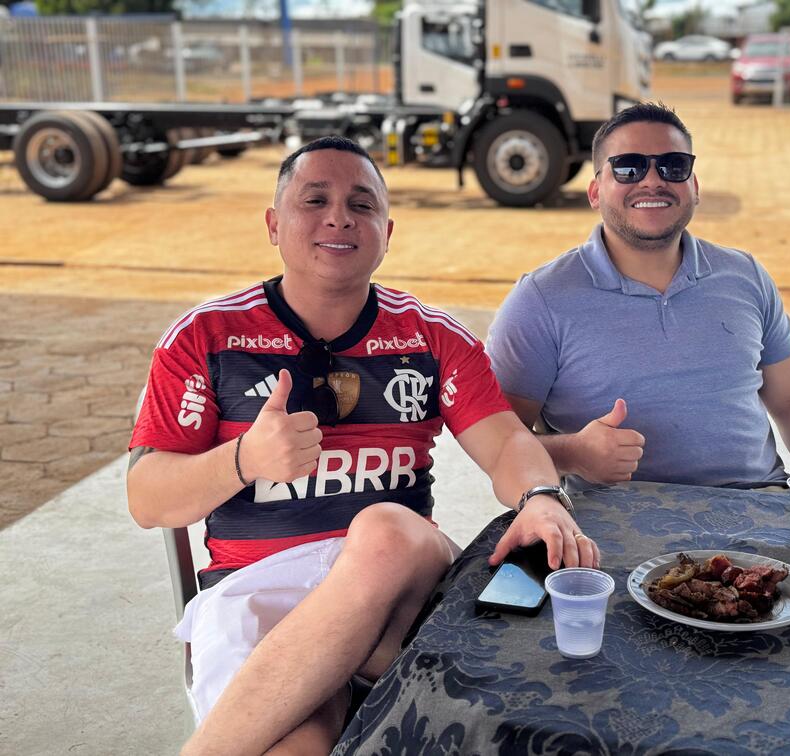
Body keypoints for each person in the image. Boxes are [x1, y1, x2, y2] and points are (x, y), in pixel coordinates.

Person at [126, 136, 598, 756]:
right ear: (273, 225)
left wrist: (540, 498)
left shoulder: (431, 336)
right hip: (261, 591)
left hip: (405, 586)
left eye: (361, 204)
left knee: (387, 530)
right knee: (295, 744)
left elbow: (507, 440)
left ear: (387, 232)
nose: (339, 217)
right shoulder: (207, 335)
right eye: (314, 200)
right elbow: (148, 500)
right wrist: (242, 460)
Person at [486, 102, 790, 499]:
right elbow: (496, 441)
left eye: (673, 166)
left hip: (760, 504)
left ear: (694, 187)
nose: (652, 181)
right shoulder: (541, 299)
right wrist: (573, 453)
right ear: (595, 191)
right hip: (618, 520)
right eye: (628, 167)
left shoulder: (745, 276)